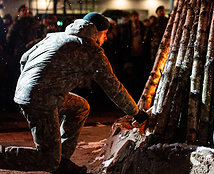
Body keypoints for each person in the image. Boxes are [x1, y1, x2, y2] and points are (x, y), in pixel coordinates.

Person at [0, 12, 147, 173]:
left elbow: (24, 58)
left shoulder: (54, 36)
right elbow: (113, 88)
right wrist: (136, 112)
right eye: (105, 34)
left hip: (30, 91)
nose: (106, 39)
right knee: (47, 160)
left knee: (80, 107)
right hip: (41, 100)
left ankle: (61, 162)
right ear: (97, 32)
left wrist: (30, 84)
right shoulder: (90, 50)